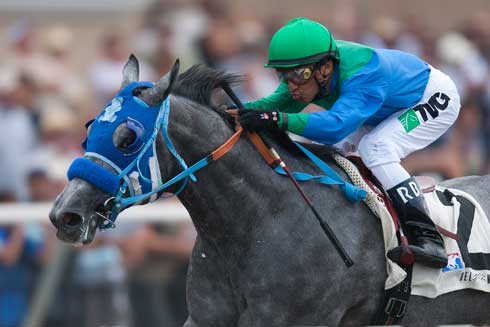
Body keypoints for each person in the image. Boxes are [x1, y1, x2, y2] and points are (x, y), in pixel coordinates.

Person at [238, 17, 461, 268]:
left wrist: (278, 119)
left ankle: (428, 236)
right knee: (332, 153)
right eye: (283, 75)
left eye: (299, 75)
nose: (291, 86)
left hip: (431, 98)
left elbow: (335, 126)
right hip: (384, 106)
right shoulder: (310, 73)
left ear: (325, 68)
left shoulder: (363, 75)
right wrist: (224, 111)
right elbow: (266, 107)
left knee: (376, 148)